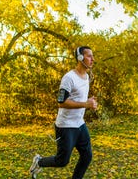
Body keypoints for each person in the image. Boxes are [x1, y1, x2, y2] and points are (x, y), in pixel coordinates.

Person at [29, 46, 98, 179]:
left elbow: (78, 97)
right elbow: (61, 102)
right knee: (62, 161)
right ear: (80, 58)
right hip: (66, 126)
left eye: (92, 56)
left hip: (80, 124)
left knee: (87, 156)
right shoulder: (69, 78)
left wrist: (87, 101)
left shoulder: (87, 76)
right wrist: (85, 104)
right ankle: (39, 162)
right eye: (89, 56)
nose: (92, 59)